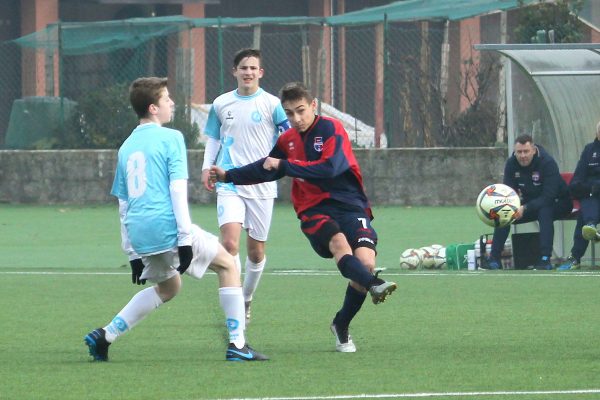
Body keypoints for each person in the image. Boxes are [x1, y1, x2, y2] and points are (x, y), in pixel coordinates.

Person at [84, 77, 267, 362]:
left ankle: (105, 335)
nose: (172, 103)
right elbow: (177, 191)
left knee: (169, 287)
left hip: (139, 234)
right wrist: (184, 240)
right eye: (167, 98)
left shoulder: (126, 146)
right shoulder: (172, 138)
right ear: (153, 108)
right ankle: (238, 344)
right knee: (228, 263)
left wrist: (131, 251)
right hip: (167, 227)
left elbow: (123, 203)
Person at [209, 82, 397, 353]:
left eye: (300, 111)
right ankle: (375, 284)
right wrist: (230, 175)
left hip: (350, 205)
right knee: (339, 245)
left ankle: (341, 324)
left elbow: (331, 168)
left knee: (365, 263)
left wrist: (285, 165)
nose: (296, 119)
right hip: (313, 209)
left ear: (313, 106)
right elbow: (266, 169)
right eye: (289, 114)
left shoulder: (332, 129)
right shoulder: (287, 140)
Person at [201, 48, 290, 324]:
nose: (248, 72)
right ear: (234, 72)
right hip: (229, 181)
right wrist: (207, 167)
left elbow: (288, 138)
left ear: (260, 73)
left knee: (256, 251)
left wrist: (281, 161)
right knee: (229, 243)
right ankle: (236, 302)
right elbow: (213, 140)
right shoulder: (220, 103)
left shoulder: (272, 104)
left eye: (253, 68)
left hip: (261, 185)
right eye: (243, 68)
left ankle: (247, 297)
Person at [484, 134, 572, 270]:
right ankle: (494, 259)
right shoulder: (511, 163)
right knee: (504, 214)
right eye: (519, 152)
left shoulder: (547, 163)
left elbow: (548, 197)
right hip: (530, 203)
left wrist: (525, 208)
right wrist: (509, 206)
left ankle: (545, 259)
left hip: (560, 202)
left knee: (545, 211)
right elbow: (508, 192)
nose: (522, 156)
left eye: (526, 151)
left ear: (533, 149)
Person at [558, 121, 600, 270]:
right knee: (588, 201)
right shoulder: (589, 151)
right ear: (597, 134)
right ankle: (591, 227)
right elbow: (576, 181)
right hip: (591, 198)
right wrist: (591, 188)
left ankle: (575, 257)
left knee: (586, 212)